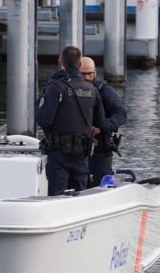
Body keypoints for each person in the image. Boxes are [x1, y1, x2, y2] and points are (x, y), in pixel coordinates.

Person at [36, 46, 108, 196]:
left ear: (60, 62)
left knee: (57, 195)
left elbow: (43, 120)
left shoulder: (56, 88)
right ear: (80, 65)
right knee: (79, 195)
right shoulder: (92, 90)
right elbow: (101, 122)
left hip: (58, 154)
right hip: (82, 154)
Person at [79, 57, 128, 187]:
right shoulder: (72, 91)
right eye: (82, 74)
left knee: (99, 184)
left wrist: (102, 127)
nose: (86, 77)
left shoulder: (105, 91)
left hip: (99, 151)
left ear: (95, 72)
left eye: (89, 73)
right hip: (76, 152)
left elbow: (121, 114)